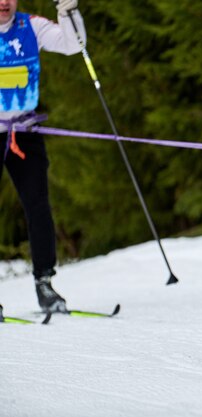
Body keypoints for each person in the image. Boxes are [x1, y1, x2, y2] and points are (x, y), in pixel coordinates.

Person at [0, 0, 86, 313]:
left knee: (38, 205)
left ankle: (44, 283)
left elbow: (73, 44)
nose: (4, 3)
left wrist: (68, 13)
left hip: (24, 130)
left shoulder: (30, 26)